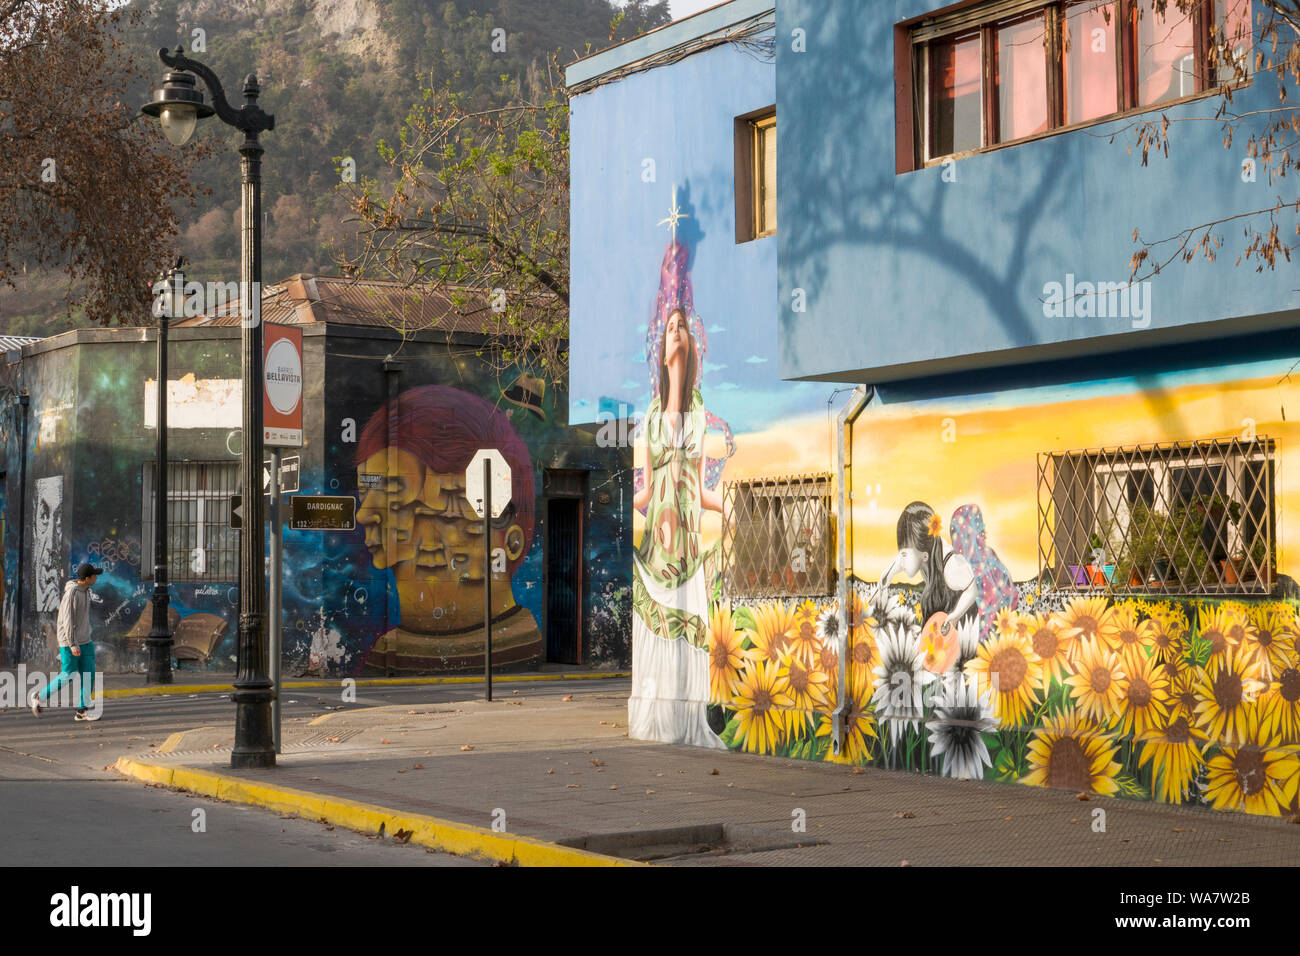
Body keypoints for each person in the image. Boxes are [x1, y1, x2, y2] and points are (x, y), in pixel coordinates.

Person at [354, 384, 540, 672]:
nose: (364, 514)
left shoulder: (513, 645)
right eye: (366, 491)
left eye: (394, 490)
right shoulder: (387, 648)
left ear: (511, 543)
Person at [630, 306, 726, 748]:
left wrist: (731, 507)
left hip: (688, 537)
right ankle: (658, 717)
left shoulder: (700, 413)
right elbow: (647, 492)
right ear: (662, 346)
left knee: (691, 623)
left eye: (681, 327)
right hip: (658, 543)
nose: (675, 333)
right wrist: (627, 515)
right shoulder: (649, 418)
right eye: (669, 328)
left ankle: (689, 719)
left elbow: (702, 485)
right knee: (658, 626)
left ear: (689, 342)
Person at [878, 502, 978, 636]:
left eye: (904, 554)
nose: (902, 560)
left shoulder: (951, 569)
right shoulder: (926, 549)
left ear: (924, 555)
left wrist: (955, 616)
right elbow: (901, 560)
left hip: (962, 622)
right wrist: (889, 574)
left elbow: (972, 590)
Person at [30, 563, 101, 721]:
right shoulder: (72, 594)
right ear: (87, 578)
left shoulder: (86, 591)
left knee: (89, 674)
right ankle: (39, 697)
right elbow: (67, 621)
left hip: (85, 640)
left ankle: (82, 711)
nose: (96, 578)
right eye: (94, 576)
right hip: (70, 641)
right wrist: (73, 644)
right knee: (68, 674)